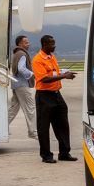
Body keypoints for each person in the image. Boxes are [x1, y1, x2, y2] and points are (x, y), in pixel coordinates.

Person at [32, 35, 77, 163]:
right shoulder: (37, 60)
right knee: (44, 127)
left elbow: (53, 73)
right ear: (44, 45)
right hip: (44, 96)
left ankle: (64, 153)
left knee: (63, 124)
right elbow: (44, 79)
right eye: (52, 43)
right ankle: (46, 155)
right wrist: (64, 76)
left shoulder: (52, 57)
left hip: (57, 94)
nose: (54, 46)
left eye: (54, 43)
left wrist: (65, 73)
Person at [8, 35, 38, 140]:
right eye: (26, 42)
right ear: (20, 44)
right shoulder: (22, 54)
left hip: (16, 84)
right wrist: (32, 74)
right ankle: (33, 132)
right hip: (22, 84)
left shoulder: (16, 53)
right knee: (30, 108)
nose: (28, 44)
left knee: (13, 108)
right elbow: (21, 68)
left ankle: (3, 126)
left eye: (28, 42)